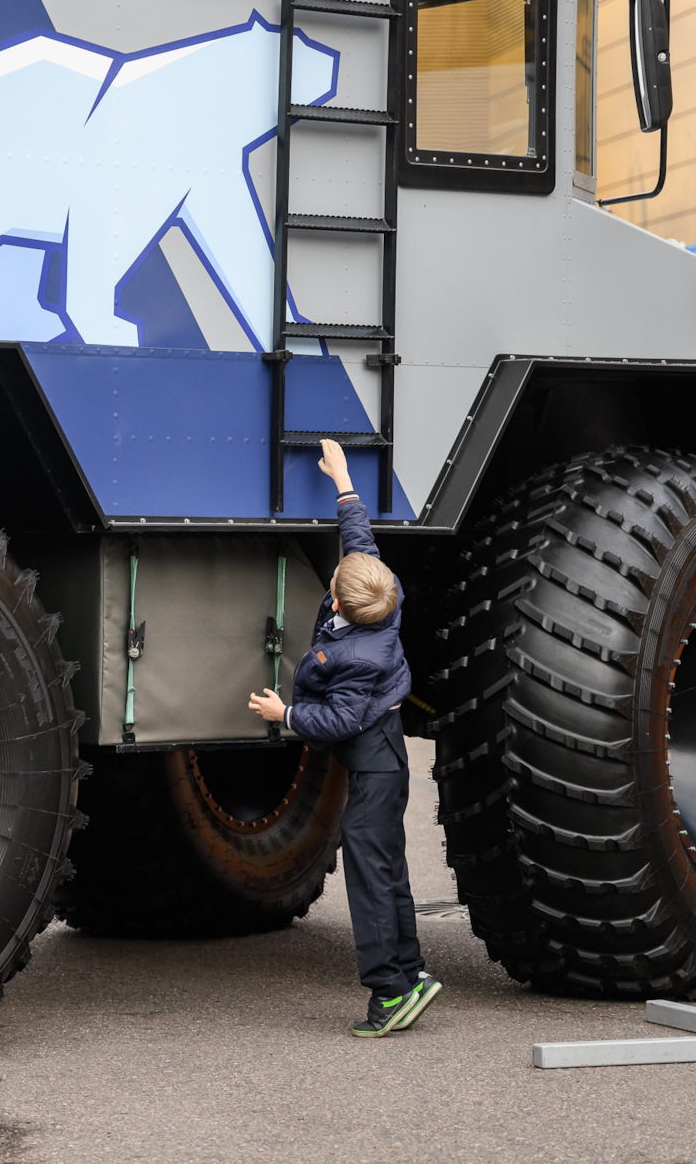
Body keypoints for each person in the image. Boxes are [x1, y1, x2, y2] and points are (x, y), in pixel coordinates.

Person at [248, 439, 437, 1038]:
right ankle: (412, 974)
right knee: (388, 867)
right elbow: (362, 543)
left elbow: (338, 723)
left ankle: (389, 992)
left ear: (336, 598)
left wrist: (286, 713)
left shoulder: (357, 659)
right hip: (385, 763)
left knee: (370, 871)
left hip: (377, 769)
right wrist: (344, 482)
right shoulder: (380, 597)